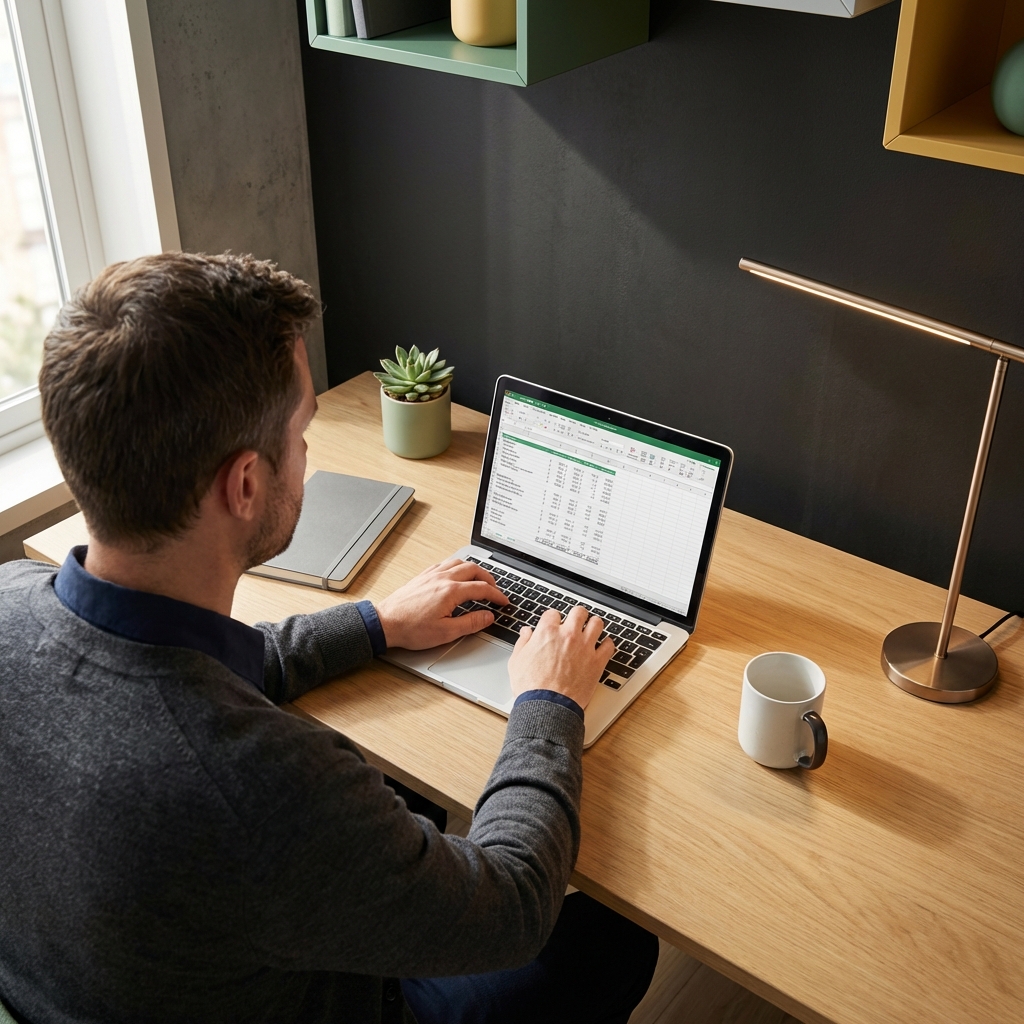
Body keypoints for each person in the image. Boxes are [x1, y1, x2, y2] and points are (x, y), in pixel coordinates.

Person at [0, 252, 658, 1024]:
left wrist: (376, 623)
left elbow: (196, 671)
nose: (308, 454)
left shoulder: (11, 599)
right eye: (303, 428)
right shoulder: (262, 785)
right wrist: (547, 701)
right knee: (621, 940)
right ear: (245, 485)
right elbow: (513, 903)